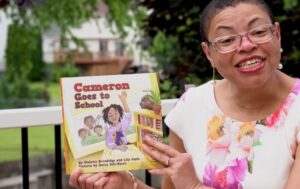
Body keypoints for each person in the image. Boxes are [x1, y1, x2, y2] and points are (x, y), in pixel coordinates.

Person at [69, 0, 300, 188]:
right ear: (208, 53)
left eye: (258, 31)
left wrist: (193, 186)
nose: (247, 45)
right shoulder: (191, 106)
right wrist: (127, 185)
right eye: (227, 39)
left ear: (277, 34)